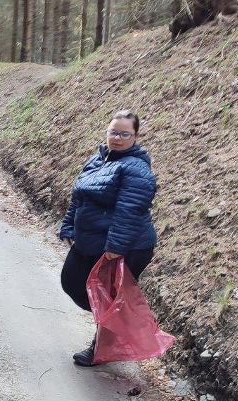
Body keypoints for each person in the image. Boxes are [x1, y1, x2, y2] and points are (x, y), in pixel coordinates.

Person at [57, 109, 158, 367]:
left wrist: (115, 247)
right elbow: (78, 196)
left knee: (110, 300)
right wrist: (69, 226)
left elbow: (130, 209)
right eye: (114, 131)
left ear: (135, 136)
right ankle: (119, 324)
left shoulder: (135, 168)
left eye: (125, 133)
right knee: (71, 281)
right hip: (91, 241)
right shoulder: (98, 160)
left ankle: (101, 349)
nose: (118, 138)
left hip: (127, 246)